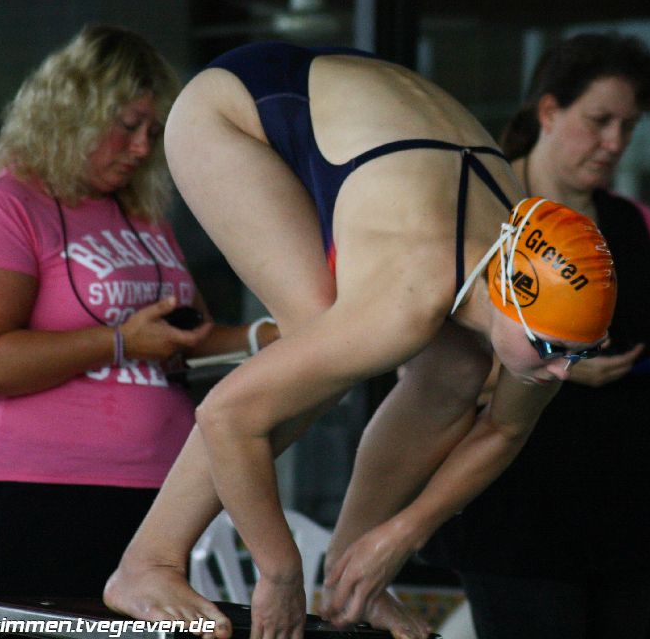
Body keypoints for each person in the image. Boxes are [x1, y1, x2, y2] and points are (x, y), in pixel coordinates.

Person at [102, 42, 618, 639]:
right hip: (241, 105)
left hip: (377, 116)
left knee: (455, 371)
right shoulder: (407, 298)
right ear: (507, 298)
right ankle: (148, 563)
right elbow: (227, 414)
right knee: (314, 341)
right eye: (552, 350)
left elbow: (504, 429)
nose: (563, 372)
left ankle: (349, 583)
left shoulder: (542, 308)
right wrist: (280, 570)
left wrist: (399, 535)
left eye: (580, 353)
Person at [422, 33, 650, 639]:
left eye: (629, 127)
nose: (614, 142)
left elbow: (645, 389)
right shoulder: (487, 215)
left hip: (629, 519)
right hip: (519, 515)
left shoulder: (634, 226)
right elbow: (429, 371)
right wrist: (557, 366)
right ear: (548, 111)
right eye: (599, 121)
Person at [0, 24, 264, 599]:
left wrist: (273, 337)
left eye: (154, 132)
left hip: (159, 490)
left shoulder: (141, 216)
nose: (142, 148)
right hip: (35, 489)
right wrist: (120, 342)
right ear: (72, 116)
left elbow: (184, 338)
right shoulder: (2, 208)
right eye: (128, 126)